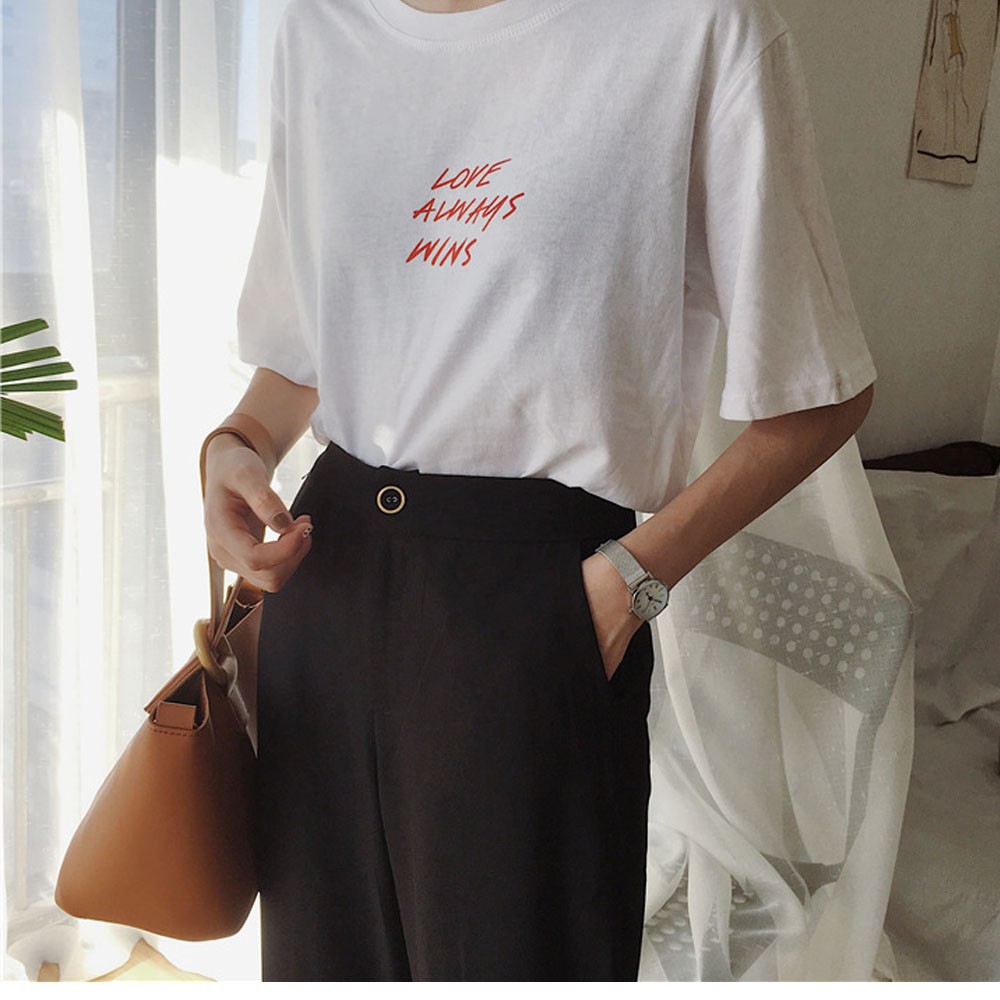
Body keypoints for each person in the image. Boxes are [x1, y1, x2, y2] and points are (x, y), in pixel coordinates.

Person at [201, 0, 877, 982]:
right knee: (324, 960)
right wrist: (235, 445)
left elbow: (821, 393)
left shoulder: (693, 28)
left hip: (535, 599)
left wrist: (624, 585)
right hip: (325, 581)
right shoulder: (320, 30)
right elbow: (298, 356)